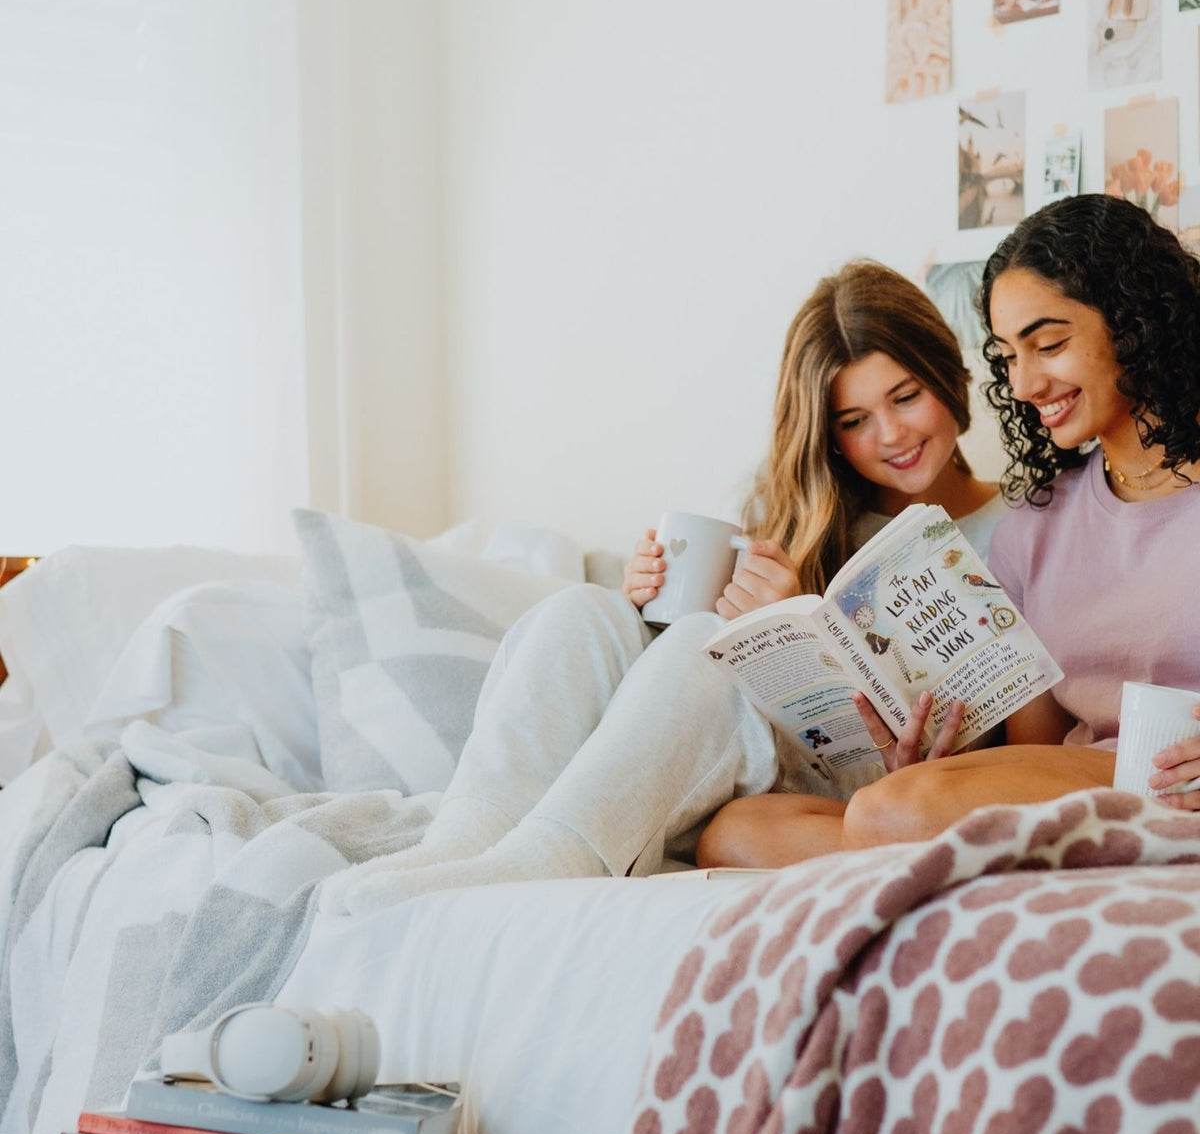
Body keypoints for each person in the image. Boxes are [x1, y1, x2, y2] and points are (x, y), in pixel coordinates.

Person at [317, 261, 1005, 916]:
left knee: (705, 643)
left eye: (905, 397)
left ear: (946, 373)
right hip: (750, 755)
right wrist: (649, 606)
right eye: (854, 421)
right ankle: (463, 843)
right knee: (585, 611)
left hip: (881, 778)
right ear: (826, 435)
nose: (890, 435)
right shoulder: (807, 515)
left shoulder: (1023, 521)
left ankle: (552, 857)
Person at [699, 193, 1200, 870]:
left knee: (889, 813)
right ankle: (925, 840)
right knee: (735, 830)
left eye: (1048, 345)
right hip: (1081, 782)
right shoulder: (1036, 525)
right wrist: (949, 767)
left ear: (1134, 321)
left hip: (1173, 786)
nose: (1024, 382)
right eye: (1008, 355)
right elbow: (1039, 750)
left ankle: (909, 840)